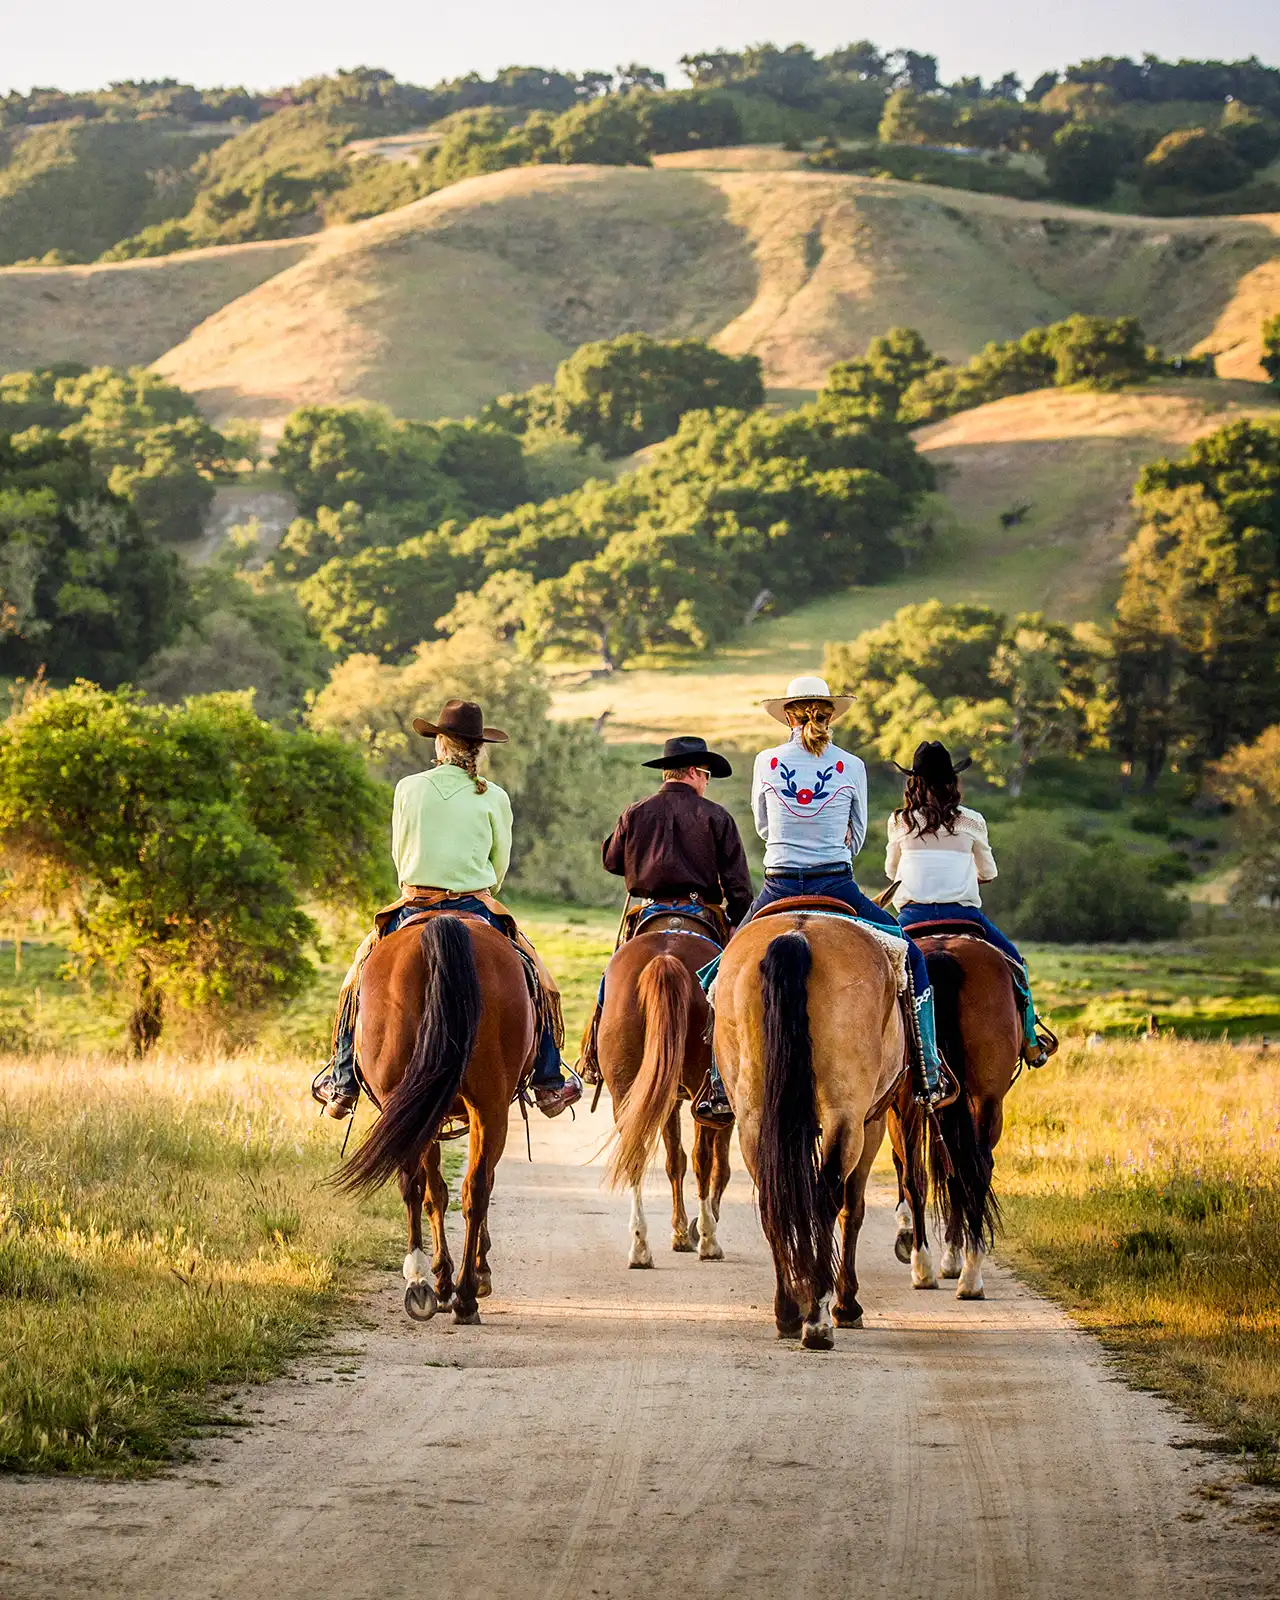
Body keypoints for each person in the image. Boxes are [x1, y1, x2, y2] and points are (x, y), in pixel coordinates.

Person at [310, 699, 582, 1121]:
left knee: (355, 982)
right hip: (475, 902)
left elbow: (400, 852)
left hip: (415, 901)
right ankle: (547, 1081)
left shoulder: (408, 787)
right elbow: (500, 863)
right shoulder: (494, 796)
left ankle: (342, 1081)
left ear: (440, 744)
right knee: (538, 978)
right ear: (477, 748)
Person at [742, 675, 956, 1108]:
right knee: (912, 957)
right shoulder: (851, 765)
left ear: (787, 715)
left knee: (722, 966)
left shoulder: (766, 761)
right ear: (831, 716)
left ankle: (717, 1078)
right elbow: (855, 836)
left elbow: (763, 827)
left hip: (777, 883)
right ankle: (929, 1070)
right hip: (835, 882)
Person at [593, 734, 754, 1125]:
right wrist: (734, 917)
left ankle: (596, 1054)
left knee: (611, 979)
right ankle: (718, 1078)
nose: (707, 782)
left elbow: (612, 861)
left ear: (668, 773)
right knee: (727, 994)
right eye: (707, 776)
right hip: (701, 913)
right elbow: (739, 886)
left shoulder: (636, 811)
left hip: (649, 915)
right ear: (697, 774)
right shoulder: (716, 816)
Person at [886, 740, 1057, 1070]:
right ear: (952, 783)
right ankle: (1032, 1042)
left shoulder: (899, 822)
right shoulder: (972, 821)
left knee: (879, 972)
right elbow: (989, 872)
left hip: (911, 917)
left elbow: (891, 872)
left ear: (914, 783)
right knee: (1017, 967)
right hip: (963, 915)